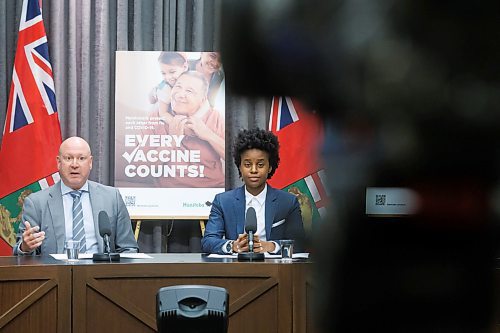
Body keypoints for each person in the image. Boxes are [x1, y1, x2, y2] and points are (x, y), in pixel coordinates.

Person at [13, 136, 139, 255]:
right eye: (68, 158)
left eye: (81, 158)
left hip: (99, 273)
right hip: (56, 274)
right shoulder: (36, 203)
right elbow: (21, 253)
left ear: (90, 162)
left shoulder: (112, 198)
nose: (74, 164)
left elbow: (128, 248)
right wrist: (25, 247)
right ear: (58, 162)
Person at [201, 128, 305, 254]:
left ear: (270, 167)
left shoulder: (288, 202)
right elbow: (208, 242)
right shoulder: (223, 201)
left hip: (274, 270)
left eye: (260, 165)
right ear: (240, 167)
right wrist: (232, 246)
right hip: (236, 270)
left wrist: (271, 246)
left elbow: (299, 244)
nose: (254, 170)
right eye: (248, 164)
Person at [144, 70, 225, 188]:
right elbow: (143, 167)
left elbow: (235, 158)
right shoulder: (156, 115)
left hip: (211, 189)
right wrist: (172, 141)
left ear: (202, 100)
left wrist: (208, 135)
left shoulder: (215, 117)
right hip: (167, 194)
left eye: (189, 91)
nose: (180, 94)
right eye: (178, 87)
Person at [148, 52, 188, 119]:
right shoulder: (165, 88)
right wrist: (175, 124)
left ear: (185, 67)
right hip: (159, 120)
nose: (168, 77)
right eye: (163, 73)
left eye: (172, 72)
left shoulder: (190, 79)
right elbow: (163, 114)